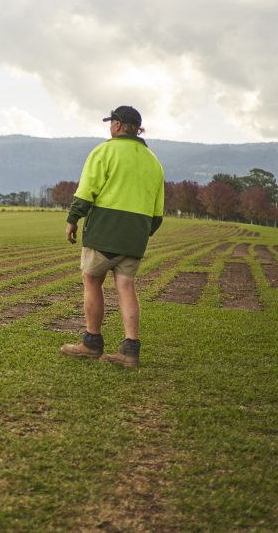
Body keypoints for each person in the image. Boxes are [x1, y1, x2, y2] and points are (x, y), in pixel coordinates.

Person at [61, 105, 165, 368]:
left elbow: (86, 191)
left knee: (91, 279)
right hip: (135, 236)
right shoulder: (154, 161)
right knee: (126, 286)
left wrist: (73, 219)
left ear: (118, 125)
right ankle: (130, 350)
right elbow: (157, 214)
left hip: (105, 231)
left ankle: (92, 342)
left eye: (111, 123)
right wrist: (140, 233)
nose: (109, 128)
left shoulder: (104, 151)